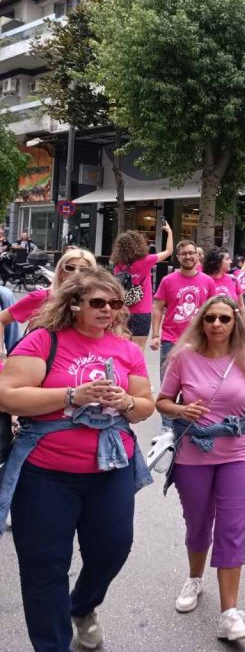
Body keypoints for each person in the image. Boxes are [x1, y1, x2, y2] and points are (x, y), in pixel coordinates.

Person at [0, 268, 154, 652]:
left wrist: (127, 402)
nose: (108, 310)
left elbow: (145, 405)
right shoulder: (43, 341)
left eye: (115, 303)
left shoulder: (127, 350)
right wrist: (72, 395)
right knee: (44, 568)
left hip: (110, 470)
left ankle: (83, 606)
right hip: (45, 475)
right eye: (98, 303)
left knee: (113, 549)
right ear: (73, 304)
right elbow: (7, 395)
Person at [156, 296, 245, 641]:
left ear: (235, 321)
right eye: (210, 318)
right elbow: (161, 401)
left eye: (224, 318)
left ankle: (229, 613)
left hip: (237, 452)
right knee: (198, 523)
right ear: (201, 321)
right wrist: (180, 411)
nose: (217, 325)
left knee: (231, 528)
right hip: (193, 452)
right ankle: (195, 579)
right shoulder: (182, 357)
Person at [0, 247, 97, 354]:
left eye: (84, 270)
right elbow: (2, 319)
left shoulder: (100, 303)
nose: (76, 273)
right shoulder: (41, 297)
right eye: (70, 268)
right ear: (60, 273)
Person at [149, 240, 216, 373]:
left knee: (194, 386)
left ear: (197, 256)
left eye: (191, 253)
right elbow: (157, 308)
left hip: (199, 340)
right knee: (167, 384)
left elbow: (214, 309)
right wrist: (155, 335)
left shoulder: (208, 281)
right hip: (171, 341)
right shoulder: (167, 281)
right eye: (183, 254)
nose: (188, 257)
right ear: (178, 257)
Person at [111, 223, 175, 347]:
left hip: (123, 311)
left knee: (122, 347)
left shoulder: (118, 265)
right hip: (142, 311)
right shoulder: (146, 260)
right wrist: (169, 232)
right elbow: (169, 251)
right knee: (139, 350)